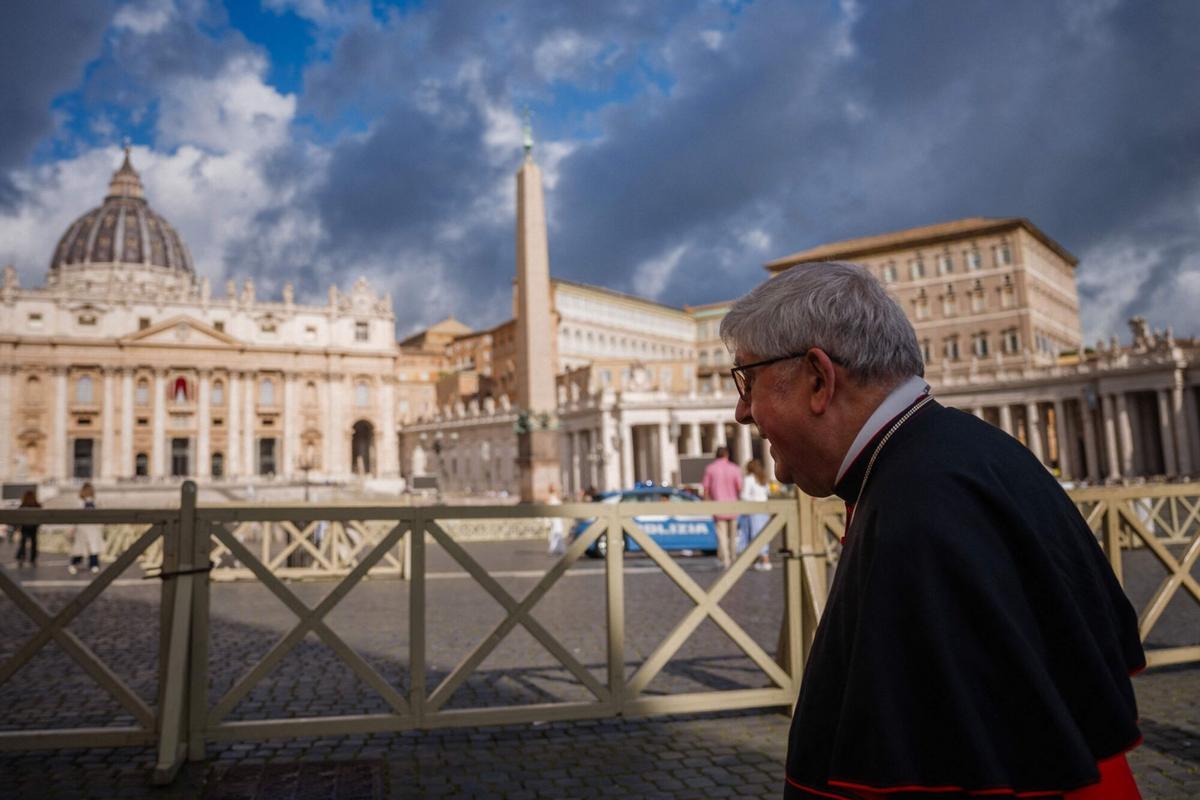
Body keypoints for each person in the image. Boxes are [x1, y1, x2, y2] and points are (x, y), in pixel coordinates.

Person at [721, 261, 1144, 800]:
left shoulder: (919, 509)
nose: (741, 412)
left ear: (818, 379)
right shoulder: (972, 452)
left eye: (747, 380)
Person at [701, 446, 742, 568]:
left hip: (718, 506)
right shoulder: (735, 468)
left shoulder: (710, 469)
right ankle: (734, 558)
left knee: (722, 537)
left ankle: (726, 561)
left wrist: (708, 503)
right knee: (733, 536)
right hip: (733, 506)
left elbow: (706, 489)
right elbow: (739, 488)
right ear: (727, 455)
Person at [739, 459, 772, 571]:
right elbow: (768, 493)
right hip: (765, 510)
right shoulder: (763, 479)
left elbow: (744, 496)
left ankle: (765, 560)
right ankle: (761, 559)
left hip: (754, 511)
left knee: (756, 535)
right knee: (764, 534)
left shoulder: (748, 479)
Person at [69, 482, 103, 575]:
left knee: (84, 546)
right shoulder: (94, 501)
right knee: (90, 547)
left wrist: (73, 527)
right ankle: (93, 565)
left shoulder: (81, 501)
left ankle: (75, 563)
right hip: (89, 527)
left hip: (85, 526)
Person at [15, 489, 40, 568]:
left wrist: (17, 527)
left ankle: (21, 558)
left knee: (23, 543)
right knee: (34, 543)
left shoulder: (22, 505)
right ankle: (32, 559)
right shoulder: (37, 505)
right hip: (33, 527)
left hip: (25, 527)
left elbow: (17, 517)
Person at [546, 485, 565, 555]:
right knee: (555, 533)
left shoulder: (554, 498)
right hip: (554, 518)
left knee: (558, 533)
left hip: (557, 518)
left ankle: (558, 548)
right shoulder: (551, 498)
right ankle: (553, 548)